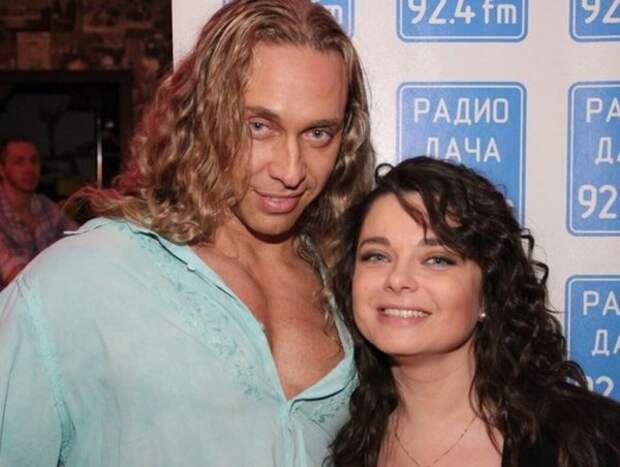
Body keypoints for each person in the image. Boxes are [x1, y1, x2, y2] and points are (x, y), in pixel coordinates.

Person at [0, 1, 374, 466]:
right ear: (202, 115)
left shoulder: (351, 283)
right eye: (259, 126)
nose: (291, 169)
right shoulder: (81, 279)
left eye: (318, 133)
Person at [329, 157, 620, 467]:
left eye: (437, 260)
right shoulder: (350, 450)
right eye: (376, 256)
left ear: (488, 294)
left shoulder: (589, 442)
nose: (397, 279)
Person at [0, 137, 77, 289]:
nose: (29, 168)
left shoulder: (45, 206)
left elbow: (78, 238)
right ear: (1, 169)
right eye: (19, 161)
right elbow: (10, 269)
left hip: (46, 293)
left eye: (34, 161)